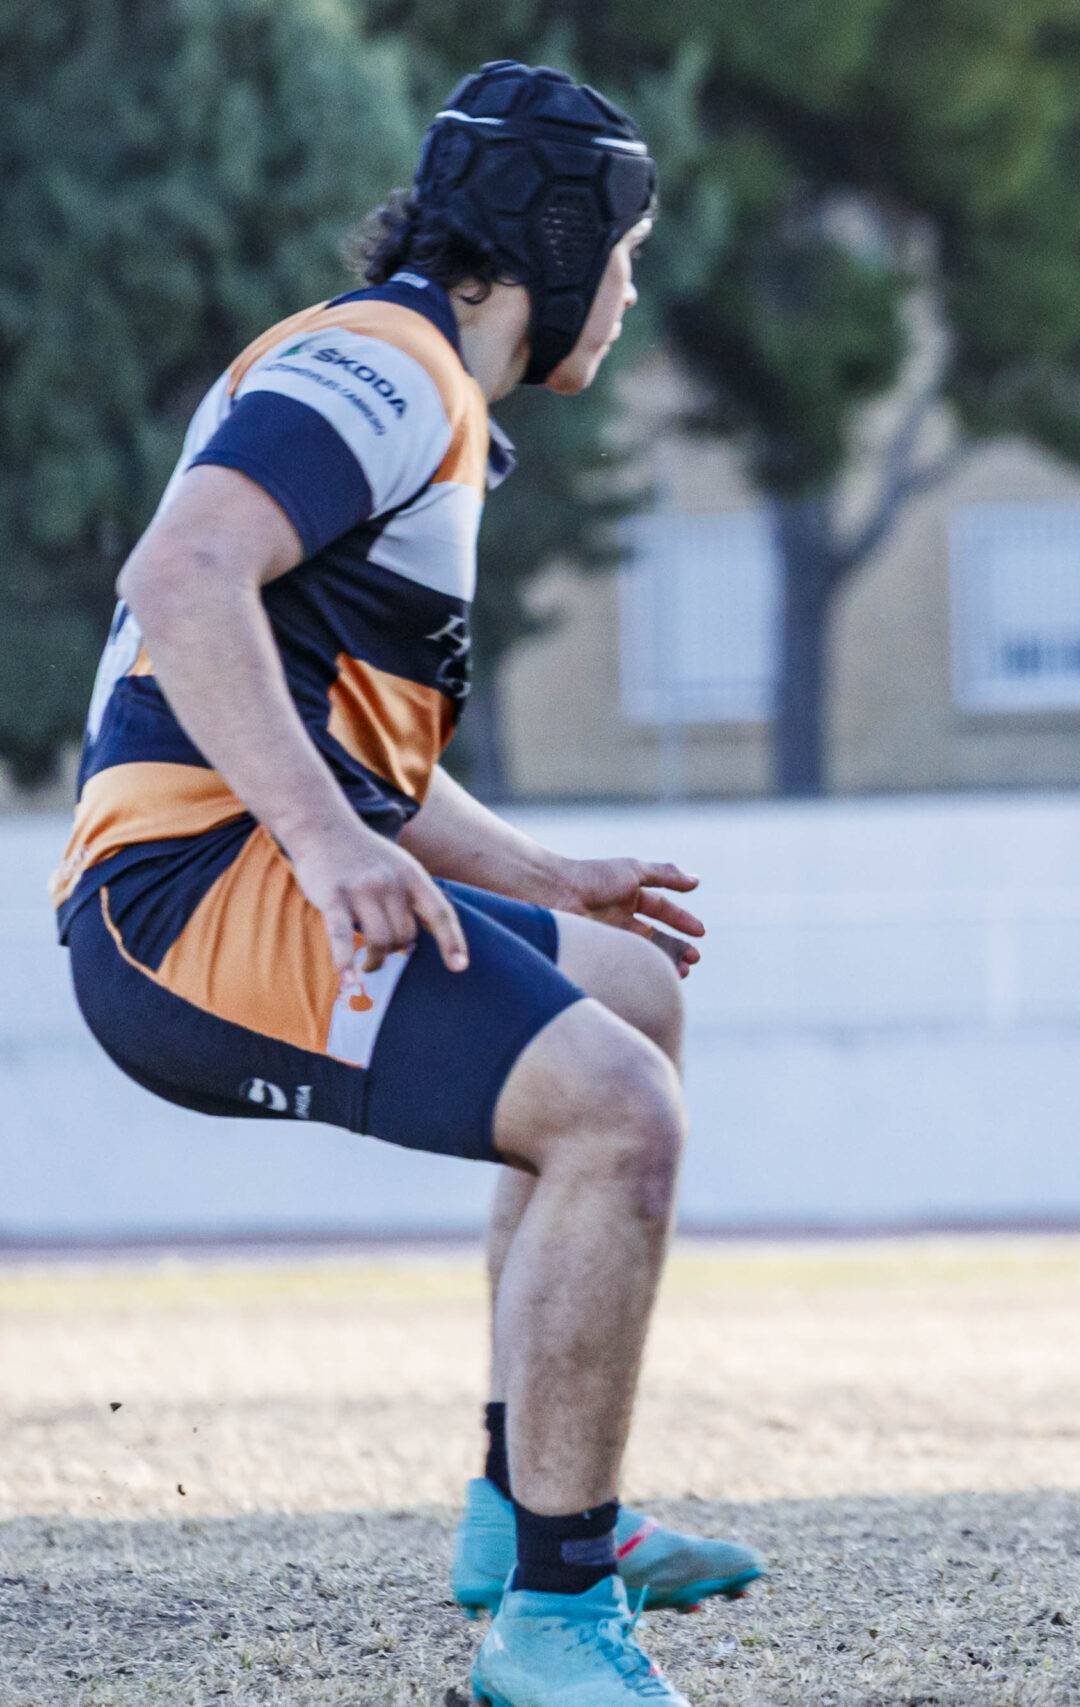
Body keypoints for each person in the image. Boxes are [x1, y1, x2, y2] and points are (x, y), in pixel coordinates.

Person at [50, 62, 755, 1706]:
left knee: (627, 992)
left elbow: (339, 735)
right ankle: (559, 1618)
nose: (633, 293)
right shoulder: (392, 364)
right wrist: (323, 842)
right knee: (621, 1115)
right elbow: (182, 578)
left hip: (221, 872)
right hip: (183, 909)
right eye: (628, 253)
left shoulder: (395, 379)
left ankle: (523, 1516)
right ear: (555, 245)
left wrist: (537, 871)